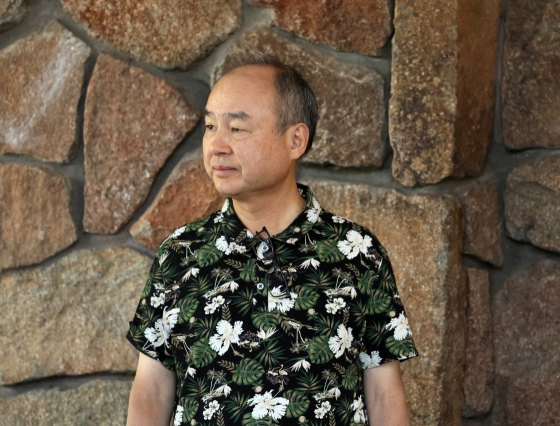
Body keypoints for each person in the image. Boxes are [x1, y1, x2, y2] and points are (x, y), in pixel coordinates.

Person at [126, 53, 418, 426]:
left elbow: (383, 391)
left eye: (237, 129)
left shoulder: (358, 252)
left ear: (295, 139)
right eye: (211, 127)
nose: (216, 145)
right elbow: (151, 390)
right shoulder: (180, 254)